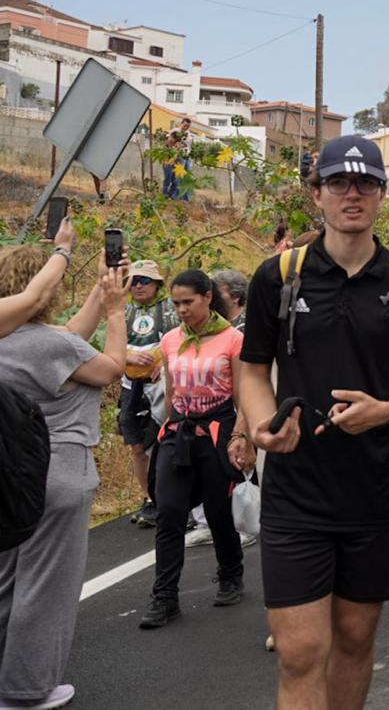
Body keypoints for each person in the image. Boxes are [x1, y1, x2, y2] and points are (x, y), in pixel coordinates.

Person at [237, 136, 389, 710]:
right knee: (301, 651)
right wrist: (261, 428)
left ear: (383, 196)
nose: (352, 195)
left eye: (366, 184)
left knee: (356, 641)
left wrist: (386, 411)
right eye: (338, 183)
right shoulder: (277, 277)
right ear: (317, 195)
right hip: (296, 491)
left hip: (375, 489)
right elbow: (253, 370)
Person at [0, 247, 128, 710]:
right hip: (59, 468)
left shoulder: (10, 338)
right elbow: (112, 367)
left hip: (10, 468)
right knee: (48, 585)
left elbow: (73, 334)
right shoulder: (51, 346)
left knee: (8, 579)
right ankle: (27, 688)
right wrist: (116, 310)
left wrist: (101, 285)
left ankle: (5, 675)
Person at [139, 270, 253, 628]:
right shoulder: (172, 340)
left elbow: (243, 395)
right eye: (175, 304)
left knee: (218, 511)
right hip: (179, 432)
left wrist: (241, 436)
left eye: (187, 302)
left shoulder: (233, 339)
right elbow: (172, 392)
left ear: (207, 297)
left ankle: (231, 574)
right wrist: (169, 430)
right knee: (169, 512)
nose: (181, 310)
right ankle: (165, 597)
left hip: (219, 432)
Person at [120, 260, 180, 530]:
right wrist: (128, 356)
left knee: (162, 442)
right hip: (130, 383)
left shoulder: (170, 308)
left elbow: (185, 338)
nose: (138, 285)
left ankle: (167, 499)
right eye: (133, 280)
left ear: (157, 284)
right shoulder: (122, 310)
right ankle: (148, 498)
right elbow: (108, 346)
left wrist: (164, 364)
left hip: (161, 384)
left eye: (145, 280)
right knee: (136, 445)